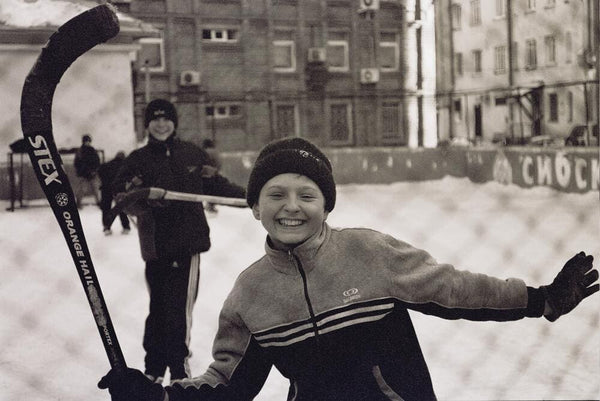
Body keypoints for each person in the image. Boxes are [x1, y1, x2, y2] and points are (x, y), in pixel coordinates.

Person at [99, 137, 599, 401]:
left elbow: (455, 289)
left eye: (306, 195)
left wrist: (541, 299)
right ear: (254, 208)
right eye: (274, 194)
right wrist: (162, 397)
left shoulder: (369, 254)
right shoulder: (250, 294)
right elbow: (228, 385)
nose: (290, 207)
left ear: (326, 205)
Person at [109, 99, 246, 383]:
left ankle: (178, 367)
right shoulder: (138, 160)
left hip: (187, 243)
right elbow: (122, 195)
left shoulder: (192, 154)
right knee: (158, 308)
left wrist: (248, 195)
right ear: (147, 124)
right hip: (156, 244)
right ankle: (154, 369)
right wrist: (138, 195)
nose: (161, 124)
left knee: (179, 310)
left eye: (166, 119)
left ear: (174, 122)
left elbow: (215, 184)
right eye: (155, 120)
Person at [98, 151, 131, 235]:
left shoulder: (107, 164)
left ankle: (106, 228)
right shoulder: (125, 166)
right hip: (118, 189)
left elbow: (100, 171)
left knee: (106, 208)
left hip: (106, 189)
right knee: (121, 207)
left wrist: (105, 181)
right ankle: (126, 227)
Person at [73, 134, 101, 207]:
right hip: (84, 174)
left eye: (88, 141)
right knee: (82, 190)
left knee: (96, 189)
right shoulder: (81, 151)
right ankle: (78, 203)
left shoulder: (91, 150)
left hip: (91, 173)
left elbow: (97, 161)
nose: (87, 143)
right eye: (86, 141)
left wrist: (94, 170)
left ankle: (99, 202)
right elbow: (77, 163)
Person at [201, 138, 222, 214]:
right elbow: (219, 163)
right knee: (213, 189)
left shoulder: (206, 152)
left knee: (209, 190)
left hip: (208, 173)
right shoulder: (216, 151)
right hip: (216, 172)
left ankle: (210, 205)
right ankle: (211, 205)